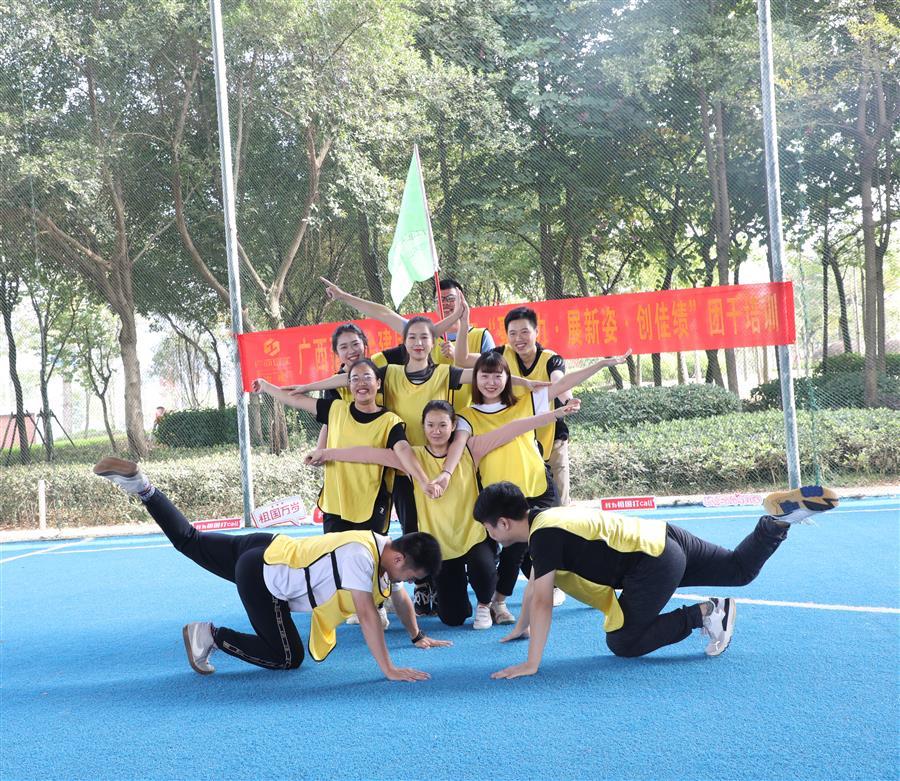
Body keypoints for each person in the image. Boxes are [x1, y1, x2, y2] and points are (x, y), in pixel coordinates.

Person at [92, 457, 451, 681]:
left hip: (266, 546)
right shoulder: (362, 557)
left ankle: (142, 487)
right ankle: (209, 635)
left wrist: (417, 635)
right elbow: (368, 615)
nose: (406, 583)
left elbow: (399, 598)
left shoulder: (381, 542)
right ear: (400, 560)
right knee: (287, 657)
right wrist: (389, 669)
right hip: (263, 577)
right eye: (411, 576)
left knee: (190, 540)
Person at [472, 481, 839, 679]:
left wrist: (532, 663)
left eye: (489, 529)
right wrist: (521, 628)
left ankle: (706, 614)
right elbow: (536, 587)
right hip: (664, 537)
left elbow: (541, 600)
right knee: (738, 570)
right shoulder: (546, 520)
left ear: (503, 523)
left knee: (623, 641)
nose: (491, 535)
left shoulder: (544, 537)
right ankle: (777, 521)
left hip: (653, 562)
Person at [305, 398, 582, 630]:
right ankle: (460, 598)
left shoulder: (470, 449)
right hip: (441, 544)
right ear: (423, 427)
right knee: (453, 617)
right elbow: (367, 454)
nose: (436, 431)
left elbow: (513, 428)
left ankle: (485, 604)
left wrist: (556, 413)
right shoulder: (411, 458)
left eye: (442, 425)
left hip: (473, 537)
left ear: (453, 426)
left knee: (484, 570)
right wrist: (326, 453)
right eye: (430, 425)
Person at [457, 349, 630, 625]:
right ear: (475, 379)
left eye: (498, 375)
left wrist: (600, 363)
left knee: (551, 542)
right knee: (508, 552)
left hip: (537, 487)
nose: (491, 382)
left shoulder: (525, 401)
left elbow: (563, 384)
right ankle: (493, 602)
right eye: (485, 376)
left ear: (507, 378)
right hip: (500, 498)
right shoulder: (466, 416)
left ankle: (596, 589)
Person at [321, 276, 494, 410]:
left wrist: (459, 355)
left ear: (462, 300)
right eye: (439, 300)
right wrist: (343, 296)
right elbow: (384, 313)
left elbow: (495, 370)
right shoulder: (421, 337)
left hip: (468, 421)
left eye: (450, 299)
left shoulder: (481, 336)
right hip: (431, 424)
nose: (445, 305)